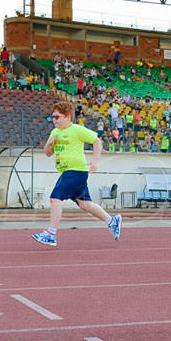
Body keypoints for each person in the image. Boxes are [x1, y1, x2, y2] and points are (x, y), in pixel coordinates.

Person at [32, 101, 121, 247]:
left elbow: (97, 141)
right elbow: (48, 154)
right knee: (85, 204)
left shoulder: (77, 130)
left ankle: (51, 233)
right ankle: (111, 221)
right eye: (52, 117)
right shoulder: (55, 132)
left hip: (75, 171)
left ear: (67, 117)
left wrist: (95, 162)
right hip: (66, 172)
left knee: (55, 199)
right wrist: (48, 144)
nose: (54, 120)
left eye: (57, 117)